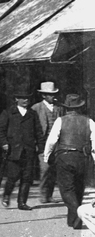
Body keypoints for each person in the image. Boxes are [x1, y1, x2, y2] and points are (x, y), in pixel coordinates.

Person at [41, 93, 91, 229]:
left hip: (65, 157)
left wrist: (47, 156)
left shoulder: (60, 120)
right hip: (82, 157)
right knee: (79, 188)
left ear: (67, 108)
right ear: (80, 107)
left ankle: (77, 214)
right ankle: (73, 221)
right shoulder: (89, 122)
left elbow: (51, 141)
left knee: (67, 189)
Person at [0, 89, 44, 211]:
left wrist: (40, 147)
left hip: (29, 151)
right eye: (23, 98)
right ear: (16, 99)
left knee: (27, 178)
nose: (26, 100)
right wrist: (4, 144)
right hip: (13, 151)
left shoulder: (32, 114)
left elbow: (39, 132)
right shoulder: (8, 113)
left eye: (27, 98)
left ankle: (22, 203)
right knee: (13, 176)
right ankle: (6, 195)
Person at [32, 82, 62, 206]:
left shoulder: (59, 108)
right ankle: (43, 195)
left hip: (56, 143)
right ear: (44, 95)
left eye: (54, 94)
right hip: (43, 143)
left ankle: (49, 195)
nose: (52, 97)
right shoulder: (36, 108)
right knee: (45, 168)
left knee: (54, 169)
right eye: (49, 95)